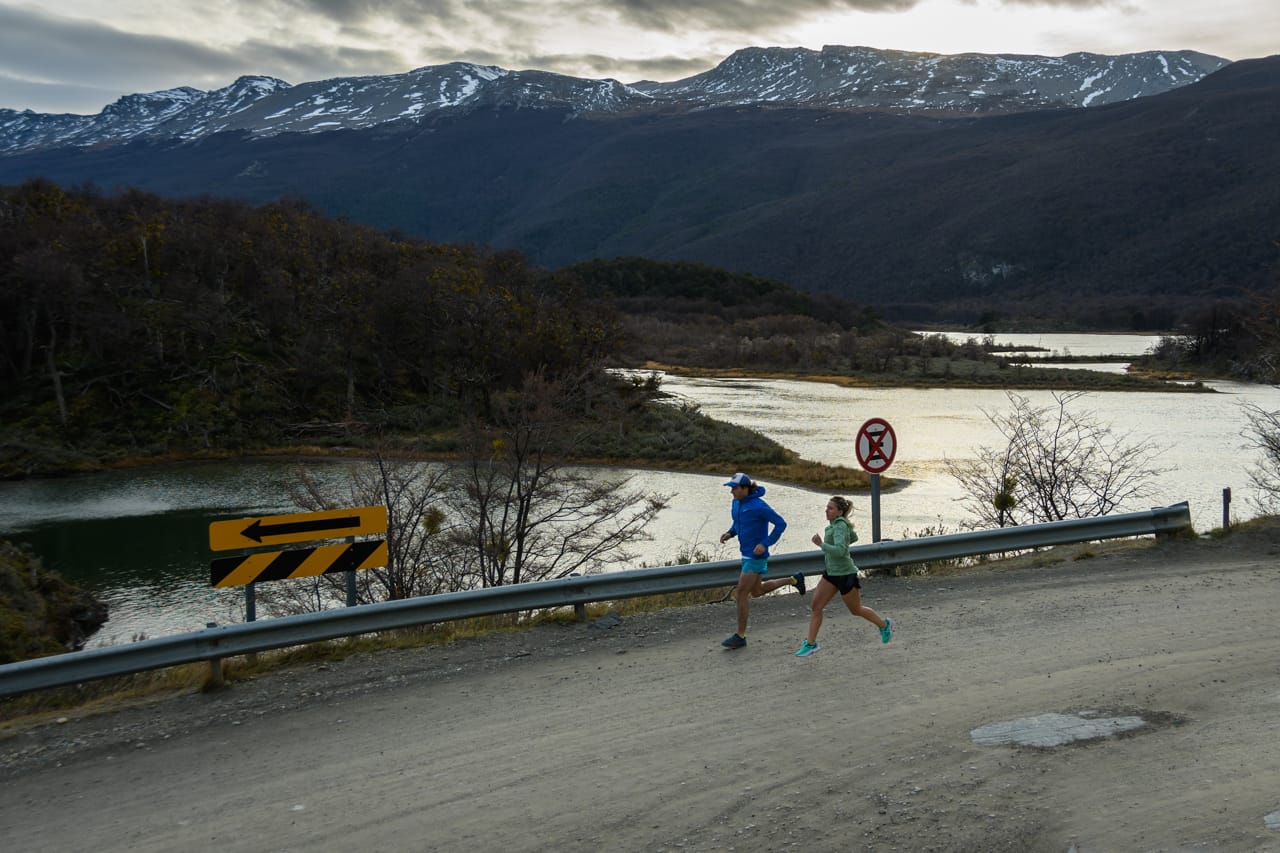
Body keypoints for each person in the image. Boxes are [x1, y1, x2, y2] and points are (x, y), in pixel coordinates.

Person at [795, 495, 891, 657]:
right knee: (816, 607)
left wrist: (821, 545)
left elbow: (840, 551)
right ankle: (811, 644)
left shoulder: (839, 526)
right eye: (827, 507)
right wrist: (843, 537)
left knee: (856, 610)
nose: (826, 510)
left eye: (830, 508)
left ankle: (884, 625)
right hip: (831, 573)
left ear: (839, 512)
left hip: (846, 575)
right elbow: (853, 538)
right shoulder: (835, 526)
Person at [718, 472, 802, 649]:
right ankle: (794, 579)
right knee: (757, 591)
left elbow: (781, 524)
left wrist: (765, 543)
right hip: (746, 554)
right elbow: (738, 522)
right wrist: (730, 533)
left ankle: (740, 636)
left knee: (741, 593)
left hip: (755, 556)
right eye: (731, 488)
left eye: (734, 488)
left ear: (745, 488)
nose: (731, 492)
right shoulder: (737, 503)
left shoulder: (759, 506)